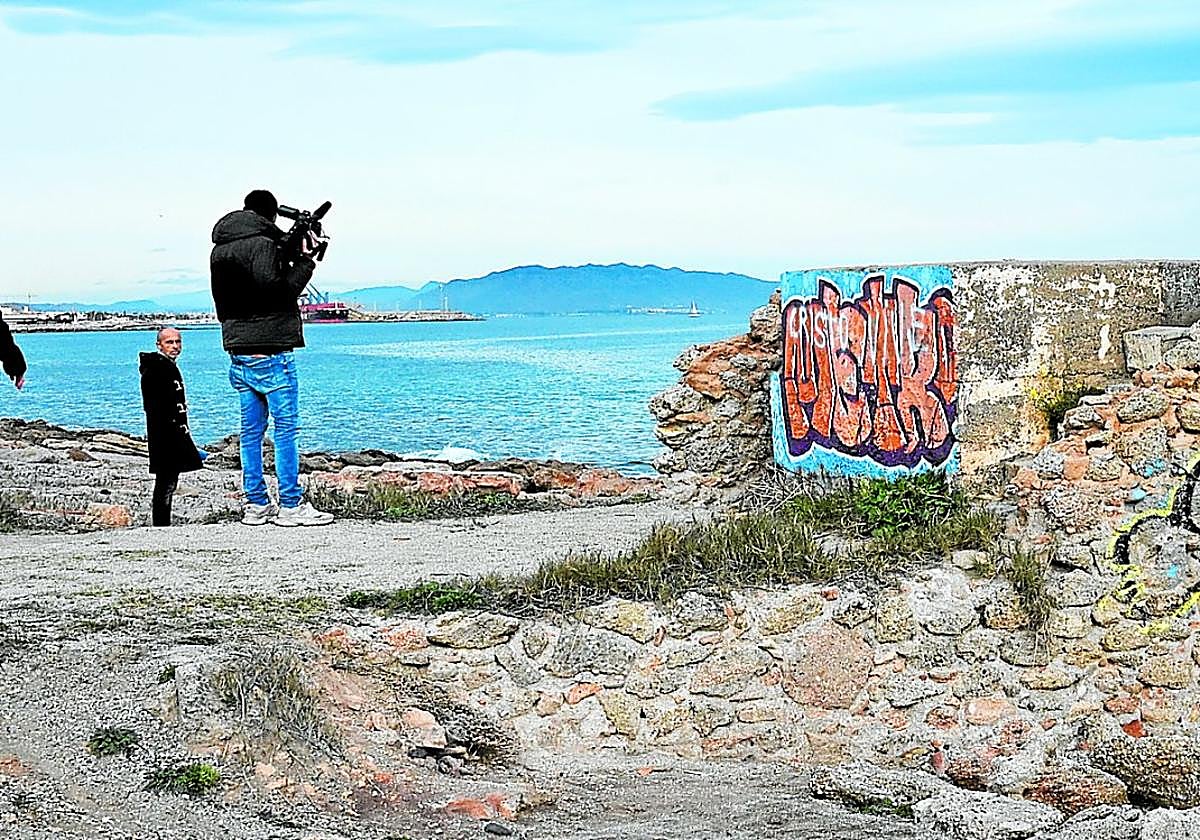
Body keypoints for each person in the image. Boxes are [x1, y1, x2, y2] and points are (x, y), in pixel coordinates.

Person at [209, 189, 333, 527]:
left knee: (250, 433)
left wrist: (288, 250)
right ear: (271, 214)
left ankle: (256, 504)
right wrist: (306, 261)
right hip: (272, 352)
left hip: (238, 351)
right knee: (286, 431)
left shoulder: (221, 247)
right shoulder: (263, 244)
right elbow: (277, 291)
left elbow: (250, 288)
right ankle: (291, 504)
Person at [139, 327, 206, 526]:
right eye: (169, 342)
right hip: (164, 434)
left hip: (174, 431)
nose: (175, 346)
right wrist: (171, 428)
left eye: (177, 342)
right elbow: (153, 405)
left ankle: (162, 522)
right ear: (159, 345)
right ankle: (161, 524)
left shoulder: (168, 367)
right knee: (165, 482)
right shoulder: (155, 369)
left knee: (170, 480)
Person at [0, 311, 27, 390]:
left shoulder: (3, 326)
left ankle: (16, 375)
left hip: (7, 351)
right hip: (8, 350)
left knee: (9, 355)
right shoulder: (3, 325)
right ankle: (16, 376)